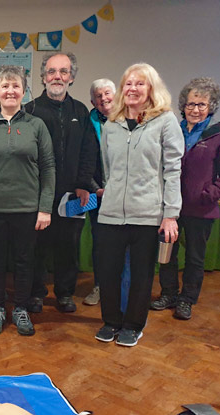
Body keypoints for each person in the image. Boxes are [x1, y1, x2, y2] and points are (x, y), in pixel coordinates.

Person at [95, 63, 183, 347]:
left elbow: (172, 170)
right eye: (128, 83)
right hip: (110, 214)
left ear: (151, 89)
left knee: (141, 275)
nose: (132, 88)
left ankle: (133, 325)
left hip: (147, 213)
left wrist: (170, 214)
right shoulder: (111, 124)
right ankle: (110, 321)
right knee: (107, 272)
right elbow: (108, 169)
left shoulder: (166, 121)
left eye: (140, 83)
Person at [0, 66, 55, 336]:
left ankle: (20, 309)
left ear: (24, 90)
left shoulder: (36, 126)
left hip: (27, 209)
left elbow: (48, 167)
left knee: (24, 261)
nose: (10, 91)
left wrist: (44, 208)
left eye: (15, 86)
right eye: (4, 86)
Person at [152, 77, 220, 320]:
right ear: (183, 106)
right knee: (166, 256)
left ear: (211, 107)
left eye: (202, 104)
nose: (195, 109)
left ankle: (187, 300)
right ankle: (168, 294)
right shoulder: (172, 130)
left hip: (201, 211)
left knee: (194, 258)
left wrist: (207, 195)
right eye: (191, 104)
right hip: (169, 209)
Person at [25, 52, 98, 314]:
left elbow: (89, 152)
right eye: (52, 71)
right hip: (38, 195)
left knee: (69, 248)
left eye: (64, 71)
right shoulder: (30, 110)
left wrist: (83, 184)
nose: (58, 76)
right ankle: (35, 293)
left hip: (72, 196)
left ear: (72, 77)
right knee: (37, 248)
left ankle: (65, 293)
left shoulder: (80, 111)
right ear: (43, 77)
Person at [84, 79, 131, 308]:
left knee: (125, 244)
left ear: (117, 95)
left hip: (127, 197)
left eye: (107, 94)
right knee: (101, 243)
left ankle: (124, 287)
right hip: (99, 195)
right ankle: (100, 285)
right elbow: (83, 160)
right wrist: (96, 189)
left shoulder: (132, 120)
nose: (104, 99)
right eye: (98, 96)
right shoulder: (87, 123)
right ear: (93, 102)